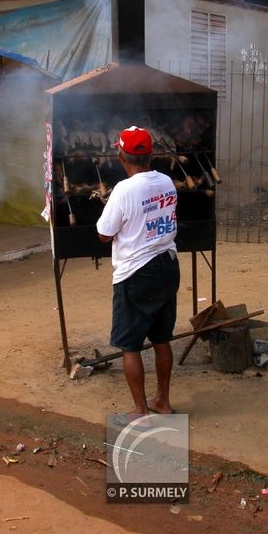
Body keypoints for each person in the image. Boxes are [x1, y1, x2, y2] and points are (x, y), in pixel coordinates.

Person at [96, 125, 180, 418]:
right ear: (152, 154)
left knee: (129, 344)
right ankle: (163, 402)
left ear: (121, 156)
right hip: (168, 266)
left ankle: (141, 409)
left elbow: (105, 234)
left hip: (136, 273)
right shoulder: (168, 182)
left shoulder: (124, 190)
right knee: (161, 339)